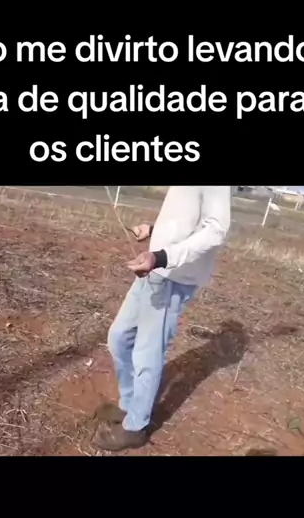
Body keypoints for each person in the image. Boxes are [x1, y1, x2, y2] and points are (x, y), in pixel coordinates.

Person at [95, 186, 232, 451]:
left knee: (146, 354)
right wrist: (153, 229)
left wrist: (162, 257)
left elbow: (216, 230)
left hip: (172, 275)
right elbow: (185, 218)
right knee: (119, 337)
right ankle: (129, 405)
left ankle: (135, 427)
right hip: (155, 268)